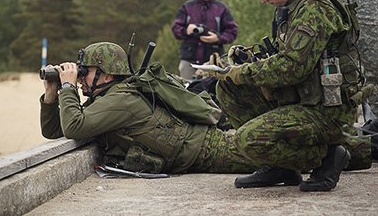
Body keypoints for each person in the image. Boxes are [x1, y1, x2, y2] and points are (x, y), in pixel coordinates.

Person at [213, 0, 372, 192]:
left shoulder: (315, 8)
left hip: (327, 112)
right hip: (303, 99)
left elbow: (292, 67)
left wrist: (243, 72)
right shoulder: (291, 7)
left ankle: (329, 156)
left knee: (247, 140)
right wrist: (248, 60)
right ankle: (281, 167)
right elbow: (284, 54)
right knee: (227, 86)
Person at [40, 42, 259, 175]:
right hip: (192, 150)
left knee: (268, 158)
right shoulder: (106, 98)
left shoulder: (120, 101)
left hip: (203, 148)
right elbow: (55, 130)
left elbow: (74, 127)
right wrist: (52, 93)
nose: (79, 78)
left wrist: (68, 86)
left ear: (106, 75)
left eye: (84, 72)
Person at [171, 0, 238, 79]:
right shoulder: (187, 7)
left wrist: (218, 38)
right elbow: (175, 29)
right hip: (189, 60)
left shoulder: (221, 8)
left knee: (213, 93)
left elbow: (233, 31)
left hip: (213, 61)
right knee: (187, 91)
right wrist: (186, 31)